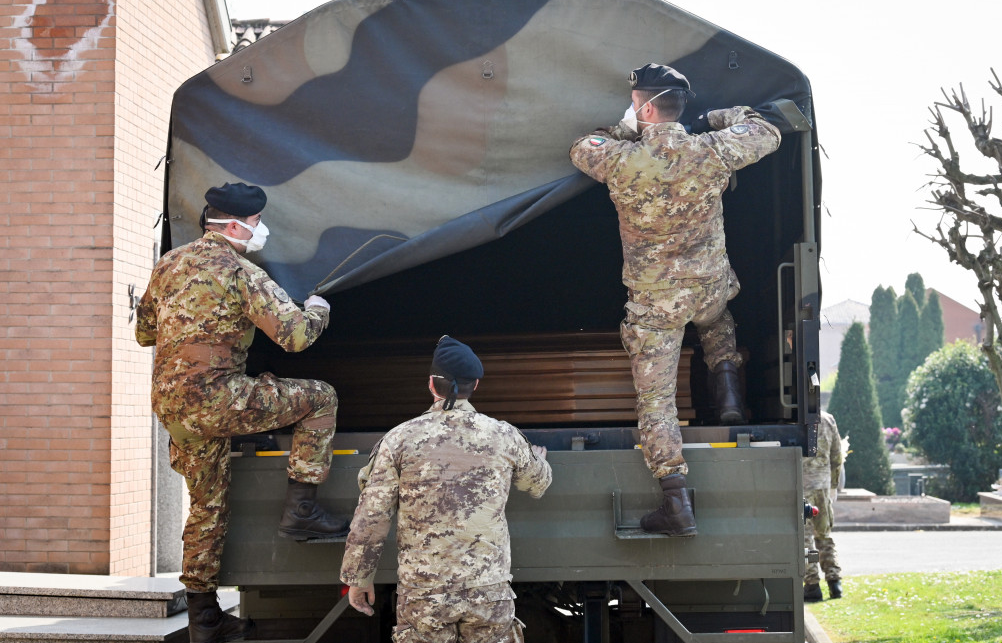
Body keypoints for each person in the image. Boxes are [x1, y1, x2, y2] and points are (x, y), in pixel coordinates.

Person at [569, 63, 781, 536]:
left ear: (643, 106)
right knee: (718, 321)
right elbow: (766, 130)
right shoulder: (713, 150)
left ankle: (676, 501)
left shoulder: (622, 159)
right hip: (707, 288)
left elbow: (581, 147)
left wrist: (623, 128)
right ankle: (729, 396)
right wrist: (712, 119)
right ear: (678, 106)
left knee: (657, 403)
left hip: (655, 305)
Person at [135, 182, 349, 643]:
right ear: (234, 225)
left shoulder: (168, 264)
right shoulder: (240, 271)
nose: (259, 230)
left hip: (174, 407)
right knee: (321, 398)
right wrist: (317, 309)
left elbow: (144, 334)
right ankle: (302, 509)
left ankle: (205, 620)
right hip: (219, 399)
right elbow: (295, 338)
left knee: (206, 508)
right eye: (254, 224)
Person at [341, 335, 552, 642]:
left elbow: (372, 516)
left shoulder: (399, 439)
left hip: (425, 595)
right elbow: (538, 484)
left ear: (431, 384)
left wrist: (359, 578)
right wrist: (540, 461)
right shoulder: (504, 436)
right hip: (487, 593)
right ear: (475, 385)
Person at [803, 410, 843, 601]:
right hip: (823, 486)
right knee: (824, 536)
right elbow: (837, 455)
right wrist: (834, 485)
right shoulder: (828, 419)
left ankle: (812, 585)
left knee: (805, 541)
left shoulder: (795, 419)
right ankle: (834, 583)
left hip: (801, 487)